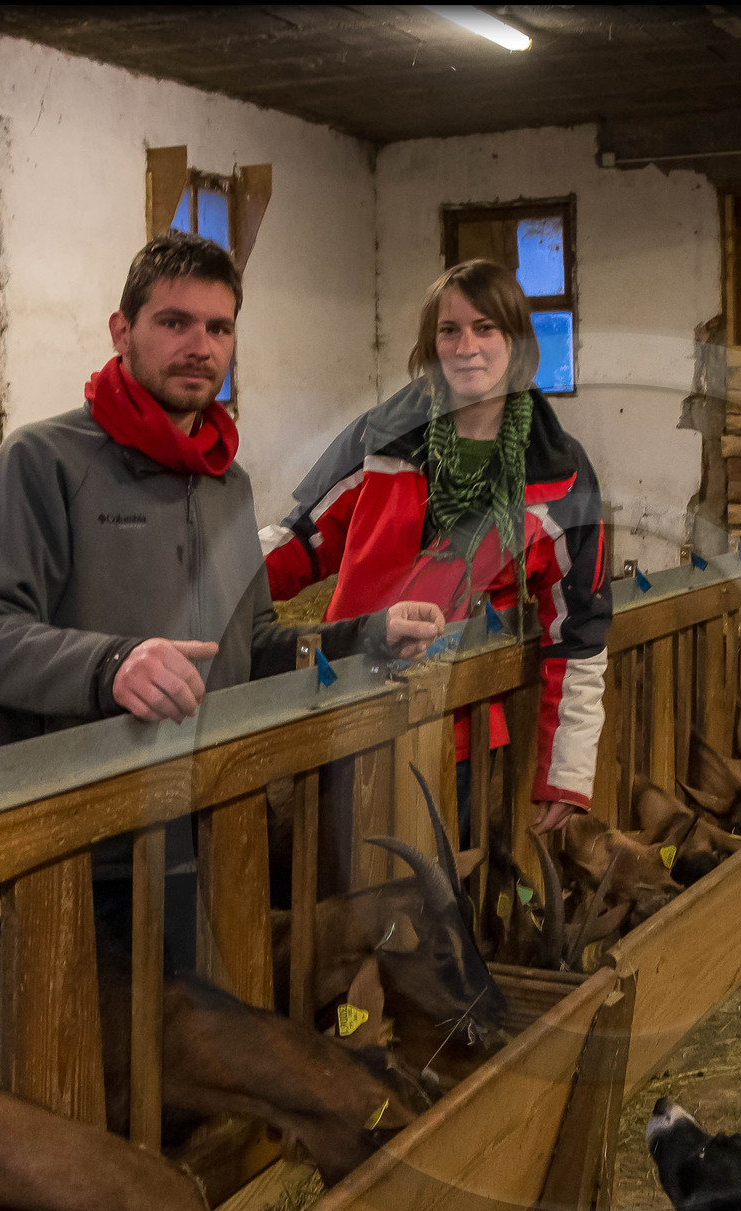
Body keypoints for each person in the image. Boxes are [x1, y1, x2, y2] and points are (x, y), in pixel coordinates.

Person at [0, 232, 443, 750]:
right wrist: (110, 668)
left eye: (218, 328)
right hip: (77, 804)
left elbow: (250, 646)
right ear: (122, 331)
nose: (200, 347)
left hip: (205, 798)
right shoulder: (43, 461)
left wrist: (367, 636)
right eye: (174, 322)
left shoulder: (226, 483)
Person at [260, 258, 610, 838]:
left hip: (461, 732)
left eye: (486, 328)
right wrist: (202, 585)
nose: (466, 346)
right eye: (449, 330)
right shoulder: (381, 436)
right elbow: (299, 539)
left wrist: (565, 771)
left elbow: (577, 628)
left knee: (435, 894)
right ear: (431, 345)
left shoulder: (558, 470)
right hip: (345, 703)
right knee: (331, 900)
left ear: (516, 342)